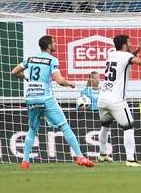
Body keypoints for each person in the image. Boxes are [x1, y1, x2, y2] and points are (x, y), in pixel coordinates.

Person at [11, 35, 94, 168]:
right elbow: (59, 80)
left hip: (31, 97)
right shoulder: (52, 60)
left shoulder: (30, 59)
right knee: (64, 126)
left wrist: (26, 78)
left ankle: (25, 161)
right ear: (49, 45)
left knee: (32, 129)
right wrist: (70, 84)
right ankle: (80, 157)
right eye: (54, 42)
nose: (55, 44)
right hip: (45, 97)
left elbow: (14, 71)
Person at [98, 35, 141, 166]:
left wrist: (137, 50)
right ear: (124, 45)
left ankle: (102, 154)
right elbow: (139, 62)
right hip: (116, 100)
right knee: (129, 127)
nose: (131, 44)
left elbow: (127, 59)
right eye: (129, 42)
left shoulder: (112, 55)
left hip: (103, 98)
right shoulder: (125, 56)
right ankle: (130, 159)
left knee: (105, 126)